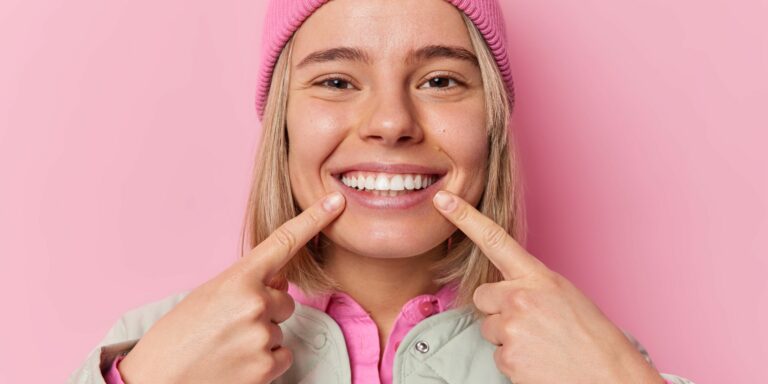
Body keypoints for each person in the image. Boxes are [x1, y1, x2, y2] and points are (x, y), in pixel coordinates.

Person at [69, 0, 695, 383]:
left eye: (442, 79)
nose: (392, 122)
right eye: (338, 81)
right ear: (283, 123)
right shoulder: (149, 347)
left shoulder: (587, 354)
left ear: (493, 122)